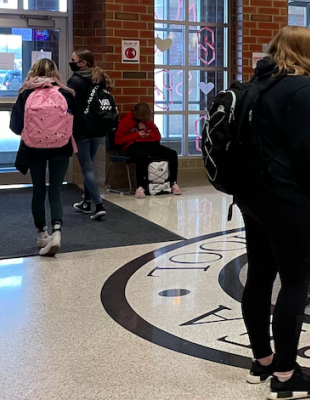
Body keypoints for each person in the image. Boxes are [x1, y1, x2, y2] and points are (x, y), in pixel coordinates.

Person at [235, 26, 310, 400]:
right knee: (295, 280)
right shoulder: (303, 88)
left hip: (250, 193)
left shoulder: (257, 83)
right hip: (285, 194)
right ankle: (287, 378)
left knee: (259, 274)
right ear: (307, 50)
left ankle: (263, 361)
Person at [9, 58, 76, 257]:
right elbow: (76, 121)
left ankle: (41, 234)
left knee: (38, 190)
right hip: (61, 148)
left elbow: (14, 125)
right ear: (55, 72)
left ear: (33, 71)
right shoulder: (65, 93)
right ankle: (56, 231)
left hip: (33, 149)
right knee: (55, 192)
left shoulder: (26, 93)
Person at [68, 49, 112, 220]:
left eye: (73, 60)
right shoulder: (99, 79)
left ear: (82, 63)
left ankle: (98, 205)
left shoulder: (75, 81)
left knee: (86, 167)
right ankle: (86, 202)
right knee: (90, 164)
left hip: (82, 129)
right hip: (99, 127)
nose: (71, 62)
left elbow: (69, 103)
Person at [115, 103, 181, 198]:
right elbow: (118, 141)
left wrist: (148, 133)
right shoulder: (125, 122)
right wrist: (136, 135)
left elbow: (158, 137)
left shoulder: (149, 122)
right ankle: (141, 186)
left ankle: (173, 183)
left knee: (172, 154)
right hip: (133, 144)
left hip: (149, 143)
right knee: (142, 156)